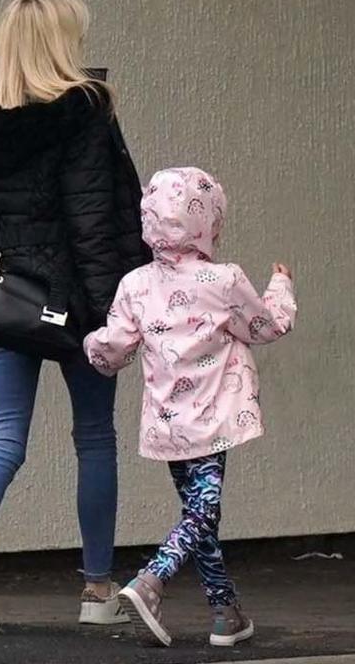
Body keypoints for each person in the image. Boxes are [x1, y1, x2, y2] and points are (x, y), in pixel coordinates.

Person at [0, 0, 146, 636]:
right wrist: (116, 311)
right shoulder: (85, 112)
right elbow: (94, 221)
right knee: (94, 438)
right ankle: (97, 589)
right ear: (59, 45)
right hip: (78, 302)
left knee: (4, 436)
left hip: (5, 298)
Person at [85, 166, 297, 649]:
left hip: (166, 422)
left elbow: (112, 349)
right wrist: (281, 285)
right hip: (214, 418)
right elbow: (265, 327)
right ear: (209, 222)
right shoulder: (222, 280)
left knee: (200, 513)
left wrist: (85, 341)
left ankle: (226, 612)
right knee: (202, 509)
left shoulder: (134, 285)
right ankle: (151, 579)